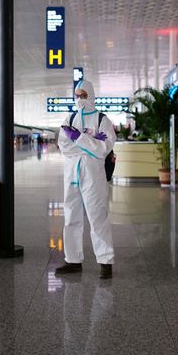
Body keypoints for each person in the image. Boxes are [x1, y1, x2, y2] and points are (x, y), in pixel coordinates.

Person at [55, 80, 117, 279]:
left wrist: (79, 139)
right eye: (77, 95)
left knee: (97, 216)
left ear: (91, 95)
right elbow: (64, 147)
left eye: (83, 95)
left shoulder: (102, 120)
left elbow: (103, 149)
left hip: (93, 176)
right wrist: (91, 143)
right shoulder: (70, 117)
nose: (80, 99)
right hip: (72, 173)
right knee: (71, 216)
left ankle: (105, 262)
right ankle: (72, 260)